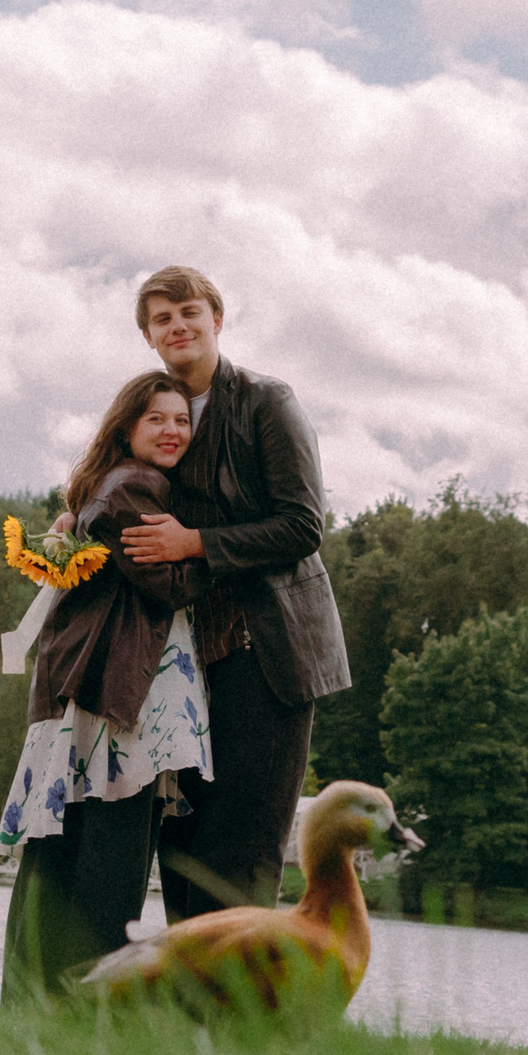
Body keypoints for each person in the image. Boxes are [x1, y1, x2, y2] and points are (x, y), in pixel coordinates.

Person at [117, 265, 350, 920]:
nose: (178, 325)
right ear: (149, 337)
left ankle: (238, 1013)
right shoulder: (153, 412)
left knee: (243, 845)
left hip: (269, 652)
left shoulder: (268, 401)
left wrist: (197, 542)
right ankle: (183, 1013)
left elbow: (304, 525)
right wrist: (69, 517)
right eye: (162, 318)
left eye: (189, 310)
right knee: (181, 840)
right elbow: (111, 481)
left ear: (216, 320)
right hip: (183, 663)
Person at [0, 372, 212, 1002]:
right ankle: (83, 1003)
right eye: (157, 420)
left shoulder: (112, 486)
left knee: (59, 853)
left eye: (181, 420)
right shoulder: (134, 489)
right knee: (110, 867)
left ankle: (30, 1003)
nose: (173, 430)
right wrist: (212, 552)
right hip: (126, 699)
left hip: (94, 691)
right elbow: (170, 586)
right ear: (127, 429)